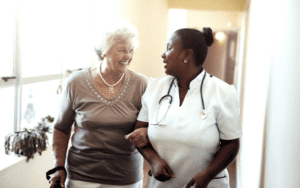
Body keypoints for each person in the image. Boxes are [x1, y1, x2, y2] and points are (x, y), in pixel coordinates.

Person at [126, 28, 242, 188]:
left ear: (187, 55)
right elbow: (138, 135)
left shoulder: (222, 92)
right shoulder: (154, 88)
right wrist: (154, 160)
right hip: (161, 184)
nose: (163, 54)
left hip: (205, 184)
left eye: (169, 48)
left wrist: (207, 175)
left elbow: (231, 144)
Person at [49, 19, 149, 188]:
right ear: (103, 50)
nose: (128, 56)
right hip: (81, 175)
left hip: (125, 177)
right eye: (122, 50)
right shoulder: (76, 82)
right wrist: (58, 166)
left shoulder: (141, 83)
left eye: (131, 50)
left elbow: (153, 124)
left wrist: (147, 131)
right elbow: (60, 128)